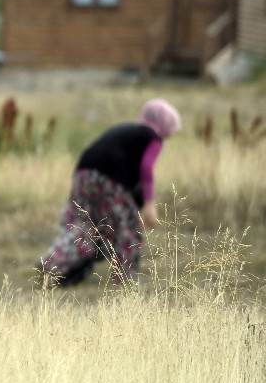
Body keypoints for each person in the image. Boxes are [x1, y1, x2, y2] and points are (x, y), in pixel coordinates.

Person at [38, 98, 182, 287]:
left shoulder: (126, 132)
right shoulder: (153, 139)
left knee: (85, 226)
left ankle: (52, 264)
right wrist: (149, 204)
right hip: (110, 179)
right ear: (165, 127)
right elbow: (146, 169)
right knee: (128, 229)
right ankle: (125, 281)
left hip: (83, 174)